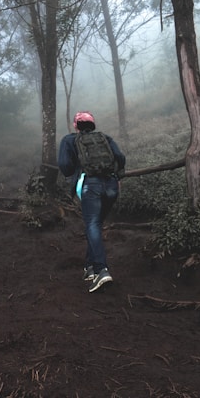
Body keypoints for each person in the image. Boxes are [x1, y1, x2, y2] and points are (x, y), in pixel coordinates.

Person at [58, 112, 125, 293]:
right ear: (92, 125)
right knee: (96, 224)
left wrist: (76, 167)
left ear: (76, 125)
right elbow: (120, 157)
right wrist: (119, 174)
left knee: (92, 224)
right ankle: (90, 267)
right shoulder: (105, 138)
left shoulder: (69, 140)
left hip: (90, 186)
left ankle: (101, 270)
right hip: (111, 185)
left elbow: (65, 166)